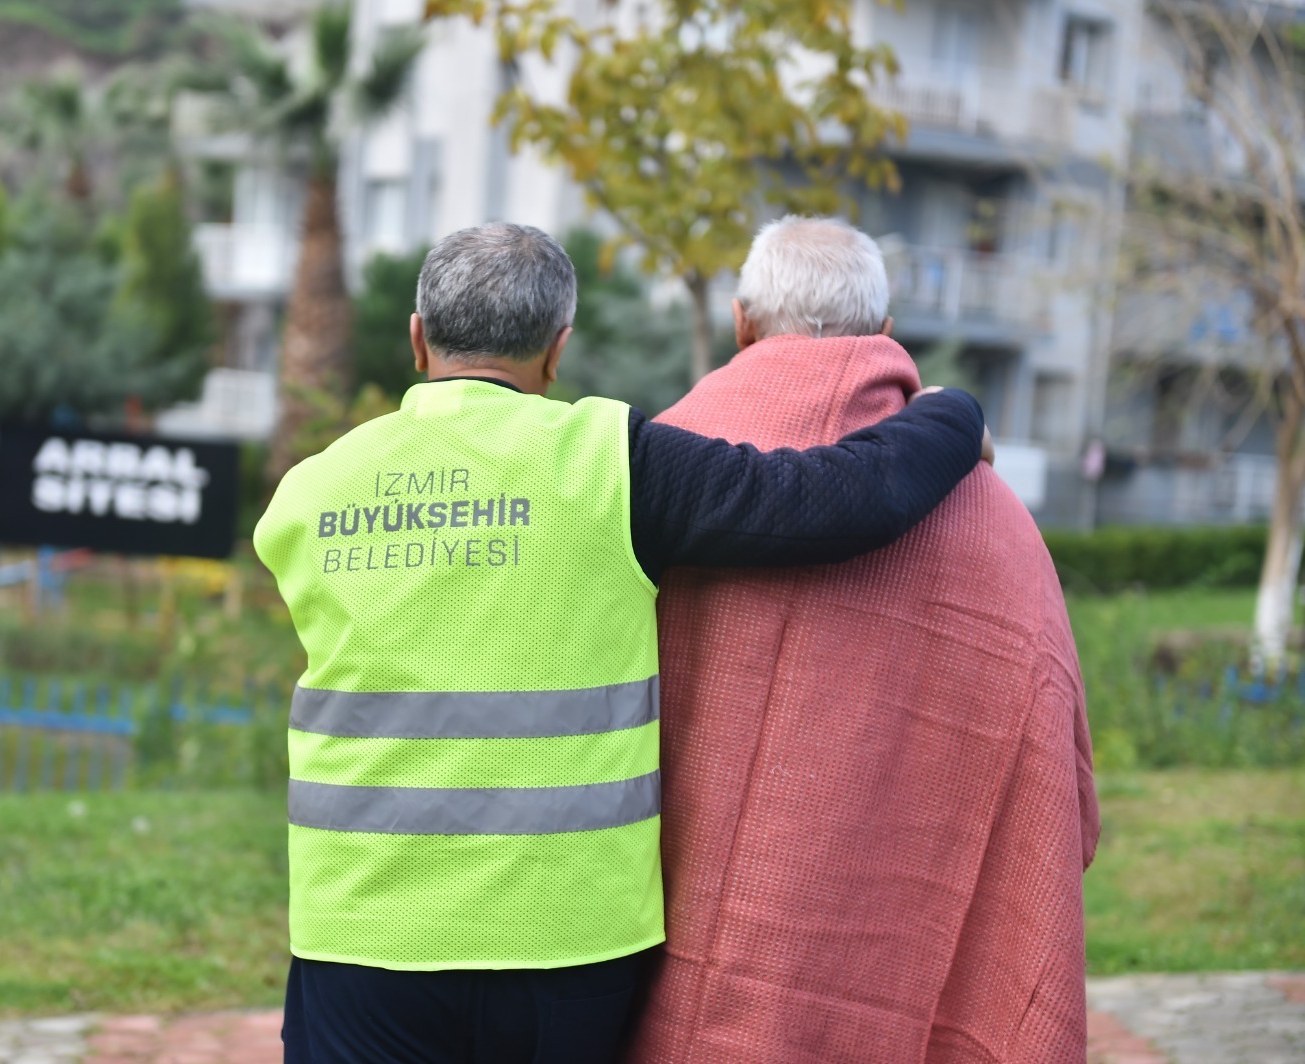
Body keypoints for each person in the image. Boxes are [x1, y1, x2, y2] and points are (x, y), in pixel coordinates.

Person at [253, 222, 990, 1064]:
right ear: (557, 349)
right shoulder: (609, 463)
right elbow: (838, 500)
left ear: (418, 338)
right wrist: (951, 414)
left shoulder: (310, 494)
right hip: (566, 946)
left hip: (362, 940)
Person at [625, 217, 1100, 1064]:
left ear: (741, 321)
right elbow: (1054, 767)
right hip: (885, 985)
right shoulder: (998, 525)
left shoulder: (653, 468)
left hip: (647, 959)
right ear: (884, 336)